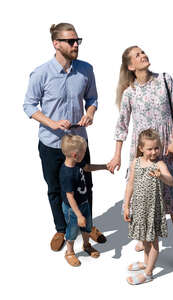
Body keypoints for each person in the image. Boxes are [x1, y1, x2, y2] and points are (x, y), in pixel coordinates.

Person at [23, 23, 106, 252]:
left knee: (86, 185)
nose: (76, 44)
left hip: (79, 142)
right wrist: (52, 123)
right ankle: (61, 229)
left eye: (78, 40)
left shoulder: (86, 70)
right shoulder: (41, 73)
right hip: (51, 143)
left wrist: (90, 112)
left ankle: (87, 227)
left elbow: (93, 99)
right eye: (71, 41)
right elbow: (29, 106)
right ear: (56, 43)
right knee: (55, 189)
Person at [108, 46, 173, 269]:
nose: (143, 55)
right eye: (137, 55)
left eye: (143, 52)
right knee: (144, 199)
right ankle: (147, 239)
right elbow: (122, 125)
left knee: (172, 200)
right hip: (142, 152)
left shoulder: (164, 80)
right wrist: (117, 156)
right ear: (131, 66)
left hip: (166, 149)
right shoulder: (129, 93)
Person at [124, 129, 173, 284]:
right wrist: (126, 205)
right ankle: (146, 263)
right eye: (150, 149)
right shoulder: (136, 162)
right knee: (144, 238)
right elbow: (130, 184)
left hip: (153, 210)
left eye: (156, 148)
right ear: (141, 148)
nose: (154, 152)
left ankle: (148, 273)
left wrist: (162, 175)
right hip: (139, 208)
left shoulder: (159, 164)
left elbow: (170, 181)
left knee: (153, 241)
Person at [60, 135, 109, 266]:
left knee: (87, 227)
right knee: (72, 230)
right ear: (75, 155)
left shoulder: (77, 163)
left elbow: (87, 167)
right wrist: (79, 215)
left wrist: (105, 166)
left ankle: (86, 245)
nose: (85, 154)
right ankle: (69, 252)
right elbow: (69, 197)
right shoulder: (67, 174)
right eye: (84, 152)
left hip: (84, 203)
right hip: (73, 209)